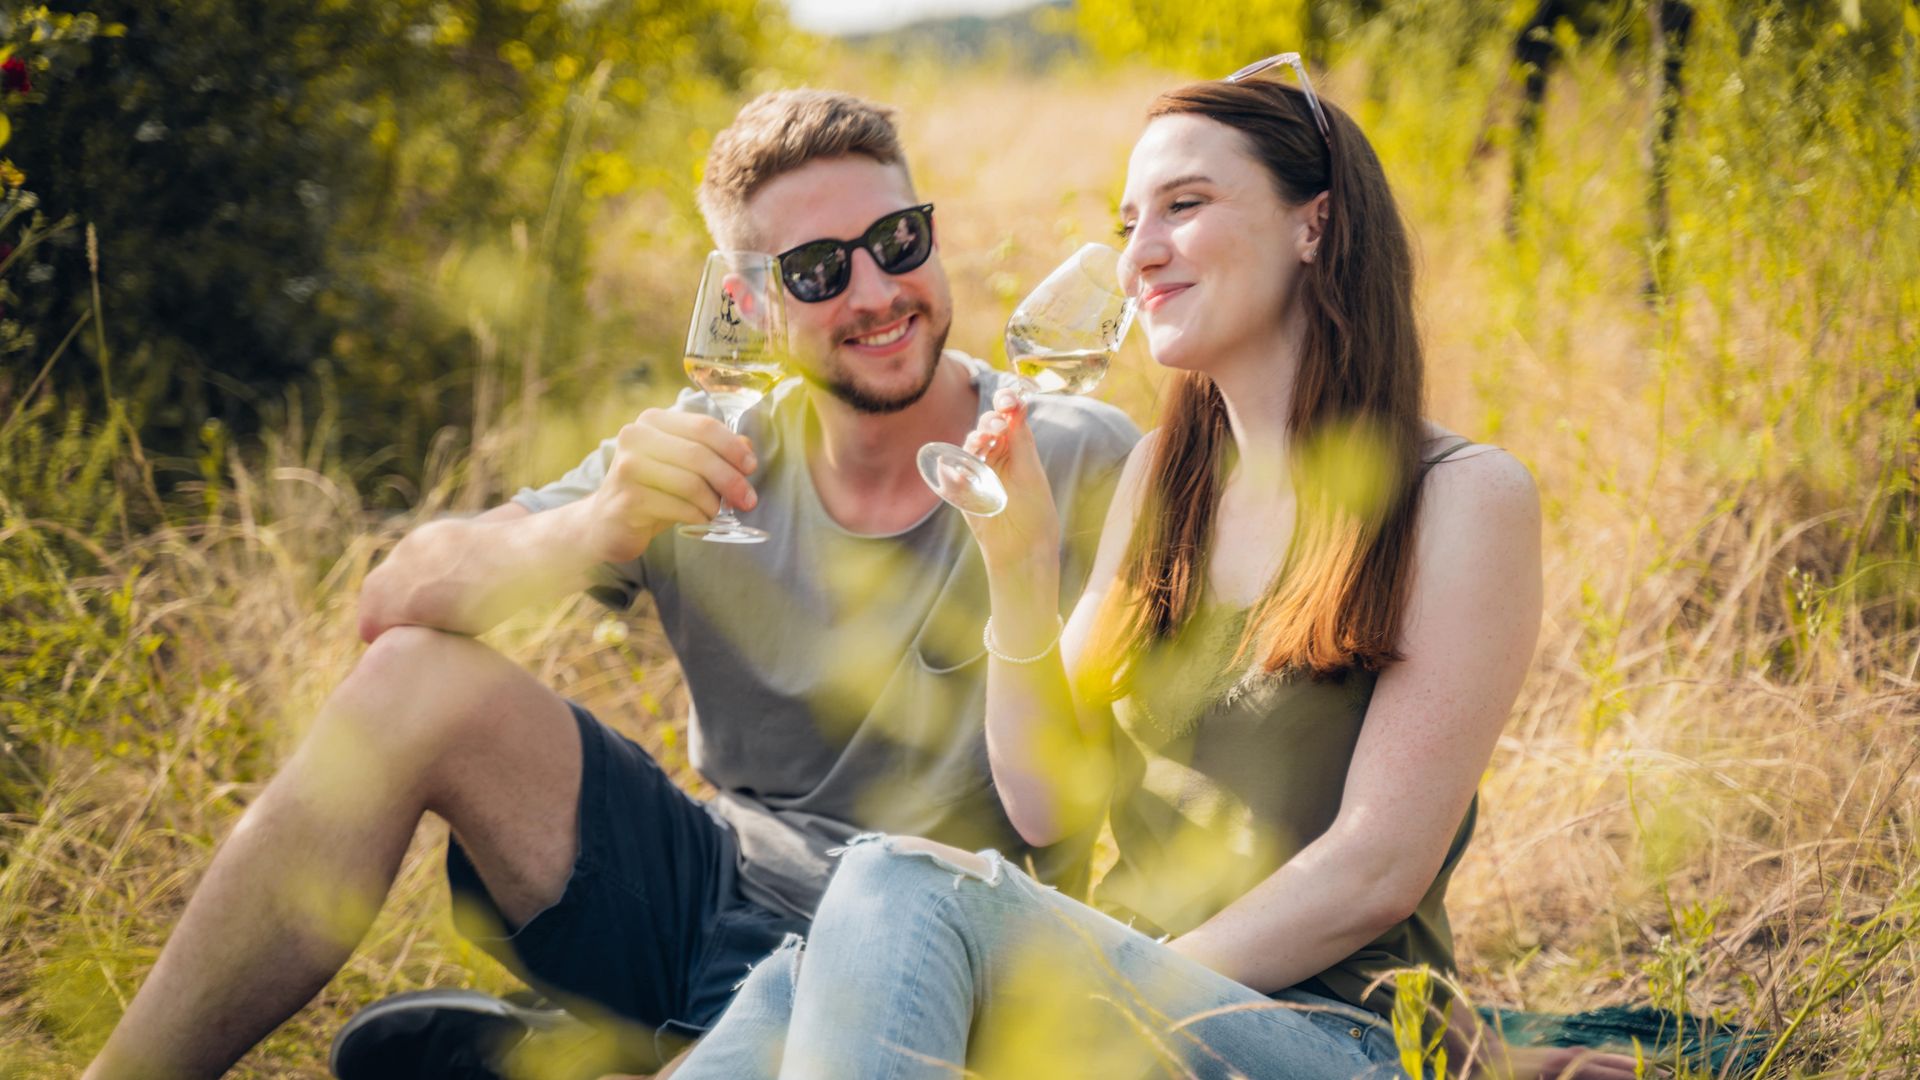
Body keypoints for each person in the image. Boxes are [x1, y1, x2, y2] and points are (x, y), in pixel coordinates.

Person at [80, 89, 1139, 1080]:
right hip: (711, 891)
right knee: (410, 680)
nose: (875, 292)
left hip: (937, 958)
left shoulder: (1079, 461)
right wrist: (592, 524)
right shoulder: (715, 449)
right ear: (750, 304)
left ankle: (621, 1056)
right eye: (817, 270)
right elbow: (390, 601)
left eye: (897, 241)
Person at [661, 64, 1655, 1080]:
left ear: (1314, 224)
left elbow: (1375, 873)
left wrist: (1092, 1011)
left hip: (1326, 1029)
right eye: (1129, 221)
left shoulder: (1462, 497)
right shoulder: (1160, 480)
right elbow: (1045, 802)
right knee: (799, 971)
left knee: (892, 889)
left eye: (1184, 206)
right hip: (1130, 994)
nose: (1140, 254)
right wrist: (1019, 562)